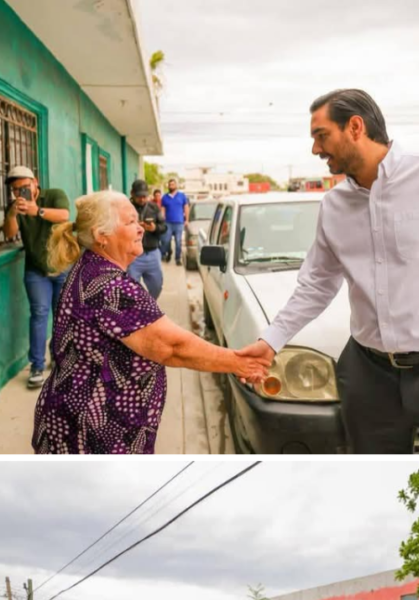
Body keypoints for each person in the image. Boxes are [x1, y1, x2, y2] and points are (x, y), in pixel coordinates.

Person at [235, 89, 419, 453]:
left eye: (321, 135)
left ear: (355, 127)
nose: (315, 149)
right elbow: (316, 285)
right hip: (368, 377)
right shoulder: (334, 206)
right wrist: (270, 341)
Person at [31, 191, 267, 454]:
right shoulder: (112, 286)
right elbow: (172, 346)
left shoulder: (89, 267)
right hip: (94, 433)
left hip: (72, 417)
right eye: (130, 222)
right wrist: (238, 362)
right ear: (101, 236)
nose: (140, 228)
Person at [2, 166, 71, 388]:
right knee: (39, 314)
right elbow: (10, 233)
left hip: (61, 266)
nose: (20, 193)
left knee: (62, 316)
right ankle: (37, 366)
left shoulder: (54, 195)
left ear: (35, 182)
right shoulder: (16, 208)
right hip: (36, 270)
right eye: (15, 190)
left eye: (24, 187)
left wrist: (37, 210)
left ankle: (59, 359)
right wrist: (12, 213)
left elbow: (64, 216)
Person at [126, 180, 166, 300]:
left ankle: (148, 306)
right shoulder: (125, 208)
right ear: (132, 193)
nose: (142, 199)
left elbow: (164, 227)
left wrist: (154, 228)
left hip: (152, 253)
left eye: (144, 196)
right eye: (139, 197)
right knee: (131, 289)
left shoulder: (154, 207)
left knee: (157, 286)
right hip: (132, 256)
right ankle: (137, 312)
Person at [159, 178, 189, 264]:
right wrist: (162, 219)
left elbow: (186, 208)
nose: (171, 186)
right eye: (170, 184)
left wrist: (187, 220)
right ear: (168, 186)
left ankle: (178, 258)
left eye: (173, 184)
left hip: (179, 222)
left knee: (178, 241)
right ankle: (168, 253)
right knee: (166, 240)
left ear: (176, 185)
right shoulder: (165, 197)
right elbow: (162, 209)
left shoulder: (182, 196)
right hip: (168, 223)